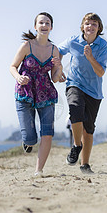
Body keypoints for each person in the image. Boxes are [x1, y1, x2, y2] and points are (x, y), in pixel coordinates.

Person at [10, 12, 63, 176]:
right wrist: (19, 77)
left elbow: (55, 78)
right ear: (35, 26)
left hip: (46, 94)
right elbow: (12, 66)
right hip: (25, 93)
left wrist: (59, 67)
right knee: (30, 138)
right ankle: (28, 142)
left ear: (51, 27)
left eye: (47, 23)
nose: (44, 25)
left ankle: (38, 170)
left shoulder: (54, 50)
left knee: (47, 134)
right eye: (41, 22)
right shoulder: (27, 46)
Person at [58, 13, 107, 174]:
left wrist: (90, 57)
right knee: (75, 110)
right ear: (83, 26)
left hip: (94, 91)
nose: (90, 26)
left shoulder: (102, 45)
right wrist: (58, 68)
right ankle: (76, 146)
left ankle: (85, 164)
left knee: (89, 130)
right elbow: (57, 51)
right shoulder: (73, 41)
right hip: (74, 84)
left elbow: (100, 72)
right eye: (88, 23)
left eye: (94, 24)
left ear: (98, 28)